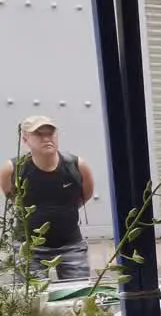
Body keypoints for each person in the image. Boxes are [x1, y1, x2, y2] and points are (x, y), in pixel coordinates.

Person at [0, 115, 95, 280]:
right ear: (25, 139)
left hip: (71, 245)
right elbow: (14, 200)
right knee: (33, 300)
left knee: (78, 296)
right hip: (28, 247)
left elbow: (84, 196)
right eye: (39, 134)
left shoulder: (77, 166)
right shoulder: (13, 169)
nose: (46, 139)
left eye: (50, 134)